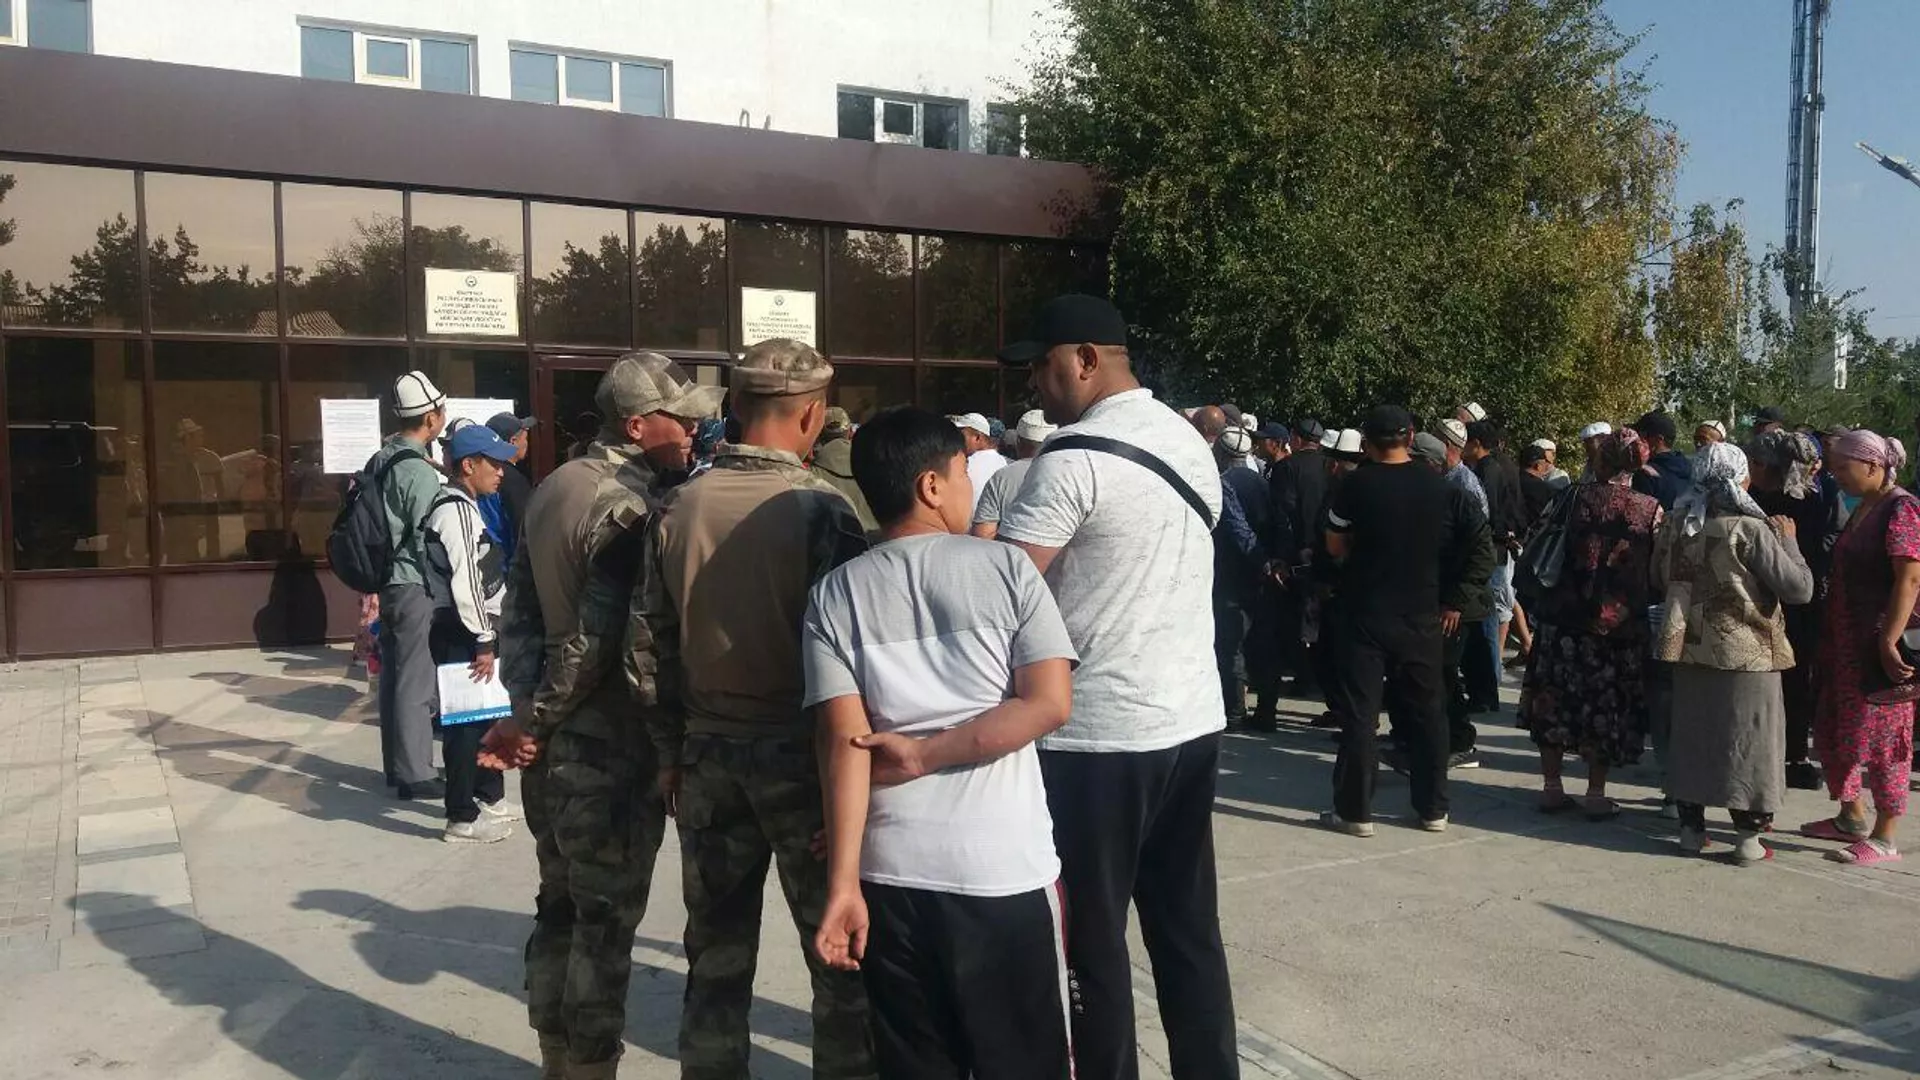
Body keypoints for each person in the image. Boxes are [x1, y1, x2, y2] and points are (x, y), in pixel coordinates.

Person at [995, 294, 1237, 1080]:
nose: (1035, 383)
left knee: (1090, 944)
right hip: (1189, 720)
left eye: (1043, 365)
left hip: (1096, 738)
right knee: (1188, 930)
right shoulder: (1187, 440)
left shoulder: (1070, 459)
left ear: (1086, 359)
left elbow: (1005, 597)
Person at [808, 407, 1077, 1080]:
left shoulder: (834, 595)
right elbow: (1048, 703)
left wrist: (843, 886)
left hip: (890, 874)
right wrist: (926, 755)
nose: (969, 489)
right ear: (931, 486)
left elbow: (844, 746)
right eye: (962, 474)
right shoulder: (1008, 570)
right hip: (1001, 871)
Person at [631, 339, 874, 1079]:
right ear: (813, 415)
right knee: (839, 963)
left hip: (708, 757)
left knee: (715, 958)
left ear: (734, 407)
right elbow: (858, 660)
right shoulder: (823, 510)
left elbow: (647, 646)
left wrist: (670, 754)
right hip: (804, 764)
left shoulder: (677, 505)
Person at [487, 352, 724, 1080]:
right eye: (679, 418)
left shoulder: (555, 486)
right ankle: (587, 1066)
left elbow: (519, 614)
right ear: (636, 424)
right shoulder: (628, 508)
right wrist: (537, 717)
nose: (693, 430)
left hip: (551, 747)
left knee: (557, 907)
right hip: (607, 749)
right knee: (603, 928)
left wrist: (525, 709)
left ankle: (556, 1057)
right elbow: (598, 643)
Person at [1321, 407, 1484, 837]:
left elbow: (1334, 545)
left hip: (1366, 611)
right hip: (1422, 613)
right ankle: (1433, 808)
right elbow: (1471, 544)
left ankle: (1355, 811)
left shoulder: (1355, 485)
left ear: (1367, 443)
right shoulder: (1440, 486)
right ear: (1410, 437)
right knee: (1429, 712)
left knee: (1361, 715)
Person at [1652, 442, 1814, 864]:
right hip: (1747, 653)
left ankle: (1690, 830)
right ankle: (1747, 837)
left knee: (1693, 737)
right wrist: (1791, 543)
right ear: (1738, 478)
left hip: (1689, 646)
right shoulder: (1751, 529)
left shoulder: (1676, 523)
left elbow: (1657, 576)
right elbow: (1798, 589)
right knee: (1750, 740)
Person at [1518, 431, 1662, 818]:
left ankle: (1551, 787)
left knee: (1553, 700)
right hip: (1617, 628)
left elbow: (1536, 539)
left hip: (1562, 618)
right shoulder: (1649, 509)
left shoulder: (1569, 498)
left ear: (1600, 460)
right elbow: (1659, 569)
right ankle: (1596, 794)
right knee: (1605, 706)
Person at [1803, 430, 1920, 866]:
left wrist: (1889, 639)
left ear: (1873, 466)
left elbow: (1910, 577)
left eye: (1843, 467)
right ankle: (1850, 816)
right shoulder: (1863, 507)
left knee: (1886, 742)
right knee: (1837, 731)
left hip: (1877, 647)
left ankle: (1885, 836)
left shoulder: (1901, 509)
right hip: (1845, 644)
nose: (1836, 475)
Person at [423, 423, 523, 844]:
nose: (501, 472)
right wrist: (483, 639)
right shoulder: (456, 511)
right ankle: (461, 818)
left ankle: (488, 797)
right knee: (464, 726)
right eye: (494, 464)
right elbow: (466, 582)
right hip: (463, 632)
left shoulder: (465, 505)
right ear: (469, 465)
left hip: (468, 629)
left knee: (484, 716)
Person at [374, 371, 452, 802]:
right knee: (416, 679)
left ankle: (398, 765)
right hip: (413, 582)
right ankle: (417, 772)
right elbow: (429, 537)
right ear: (431, 417)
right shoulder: (419, 472)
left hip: (387, 581)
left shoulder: (382, 458)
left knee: (394, 676)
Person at [1748, 429, 1834, 790]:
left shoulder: (1810, 498)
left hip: (1792, 600)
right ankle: (1778, 754)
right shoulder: (1755, 495)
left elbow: (1824, 544)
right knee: (1779, 680)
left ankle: (1792, 754)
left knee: (1792, 679)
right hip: (1774, 601)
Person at [1263, 418, 1330, 710]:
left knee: (1291, 619)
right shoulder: (1329, 465)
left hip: (1297, 553)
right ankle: (1318, 676)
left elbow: (1283, 517)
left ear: (1296, 438)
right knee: (1320, 618)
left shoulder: (1287, 468)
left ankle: (1302, 675)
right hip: (1325, 550)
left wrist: (1280, 558)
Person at [1465, 420, 1531, 677]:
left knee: (1494, 612)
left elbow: (1489, 511)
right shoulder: (1489, 466)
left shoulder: (1489, 470)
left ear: (1476, 444)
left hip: (1494, 548)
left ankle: (1492, 672)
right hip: (1495, 546)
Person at [972, 409, 1056, 541]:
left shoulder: (1001, 477)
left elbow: (983, 535)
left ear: (1018, 443)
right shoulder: (1071, 474)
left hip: (1009, 552)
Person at [812, 406, 879, 532]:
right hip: (876, 540)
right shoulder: (876, 467)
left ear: (818, 436)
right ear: (850, 433)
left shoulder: (809, 475)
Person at [485, 413, 537, 551]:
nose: (527, 444)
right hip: (506, 555)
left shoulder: (483, 475)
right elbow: (523, 528)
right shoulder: (513, 480)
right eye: (525, 439)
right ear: (513, 441)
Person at [949, 412, 1007, 515]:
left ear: (977, 438)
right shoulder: (1005, 463)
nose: (956, 439)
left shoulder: (961, 464)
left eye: (960, 434)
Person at [1633, 411, 1693, 511]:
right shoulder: (1690, 469)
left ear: (1659, 439)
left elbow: (1636, 515)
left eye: (1641, 436)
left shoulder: (1645, 475)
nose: (1636, 440)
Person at [1520, 445, 1557, 524]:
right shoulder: (1544, 489)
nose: (1547, 466)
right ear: (1538, 466)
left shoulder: (1510, 480)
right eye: (1546, 463)